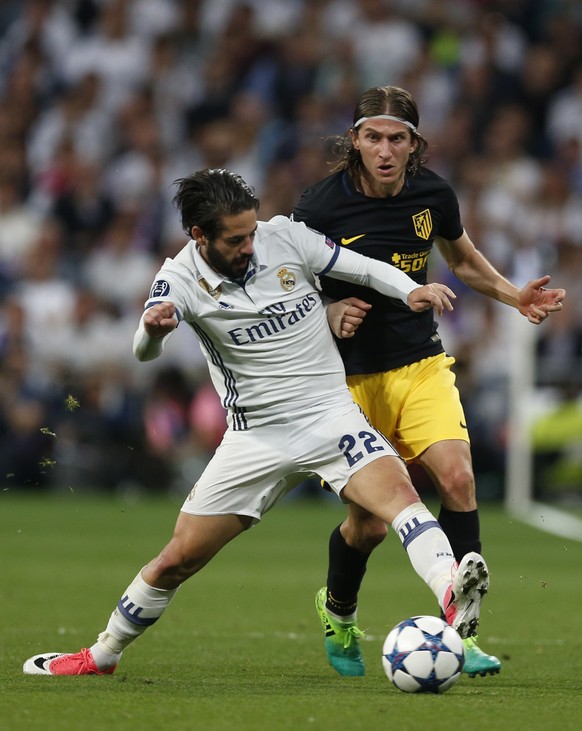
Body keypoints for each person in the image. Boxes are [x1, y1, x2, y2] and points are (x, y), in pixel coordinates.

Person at [23, 167, 489, 677]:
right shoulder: (178, 278)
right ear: (199, 236)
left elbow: (364, 268)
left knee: (402, 503)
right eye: (236, 238)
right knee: (177, 558)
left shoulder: (286, 237)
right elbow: (142, 350)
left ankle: (452, 589)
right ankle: (102, 654)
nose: (250, 245)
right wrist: (152, 332)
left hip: (329, 415)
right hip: (256, 438)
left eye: (252, 231)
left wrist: (409, 292)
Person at [292, 85, 566, 679]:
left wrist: (514, 296)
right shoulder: (318, 207)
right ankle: (338, 609)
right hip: (347, 382)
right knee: (368, 524)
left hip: (419, 366)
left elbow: (462, 260)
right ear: (354, 141)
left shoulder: (432, 193)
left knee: (459, 478)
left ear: (414, 144)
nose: (385, 150)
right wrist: (331, 309)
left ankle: (461, 633)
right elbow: (282, 290)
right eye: (373, 138)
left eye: (397, 139)